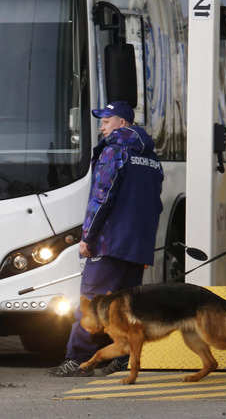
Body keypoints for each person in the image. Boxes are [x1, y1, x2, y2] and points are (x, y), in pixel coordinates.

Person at [50, 101, 163, 377]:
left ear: (122, 124)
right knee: (127, 308)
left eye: (106, 121)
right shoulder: (151, 158)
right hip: (137, 246)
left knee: (91, 302)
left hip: (110, 242)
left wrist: (88, 236)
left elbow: (102, 197)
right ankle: (124, 359)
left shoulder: (115, 151)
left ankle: (77, 359)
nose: (101, 127)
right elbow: (155, 204)